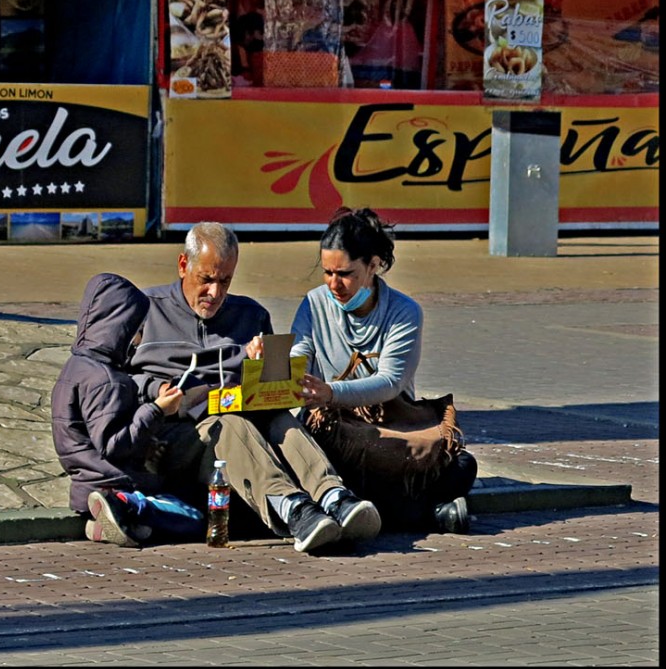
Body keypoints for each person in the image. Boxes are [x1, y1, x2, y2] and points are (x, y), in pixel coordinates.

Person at [130, 222, 381, 554]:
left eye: (225, 281)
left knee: (280, 419)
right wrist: (154, 390)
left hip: (242, 423)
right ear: (182, 266)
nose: (215, 293)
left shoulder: (251, 314)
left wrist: (261, 368)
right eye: (206, 280)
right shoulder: (145, 309)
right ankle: (293, 508)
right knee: (228, 425)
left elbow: (271, 389)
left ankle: (334, 496)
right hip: (181, 434)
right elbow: (117, 379)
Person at [290, 207, 478, 533]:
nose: (334, 284)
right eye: (327, 272)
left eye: (345, 273)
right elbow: (298, 358)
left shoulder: (405, 312)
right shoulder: (314, 302)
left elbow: (390, 382)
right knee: (312, 453)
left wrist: (331, 392)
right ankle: (427, 514)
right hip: (340, 431)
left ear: (373, 265)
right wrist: (269, 362)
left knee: (462, 465)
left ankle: (373, 512)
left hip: (393, 430)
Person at [51, 272, 206, 548]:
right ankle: (126, 506)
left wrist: (147, 443)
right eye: (137, 328)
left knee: (158, 518)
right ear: (120, 327)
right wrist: (157, 410)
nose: (139, 338)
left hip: (85, 483)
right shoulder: (108, 380)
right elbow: (114, 444)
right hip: (113, 484)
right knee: (194, 518)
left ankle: (118, 521)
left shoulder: (75, 368)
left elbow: (96, 436)